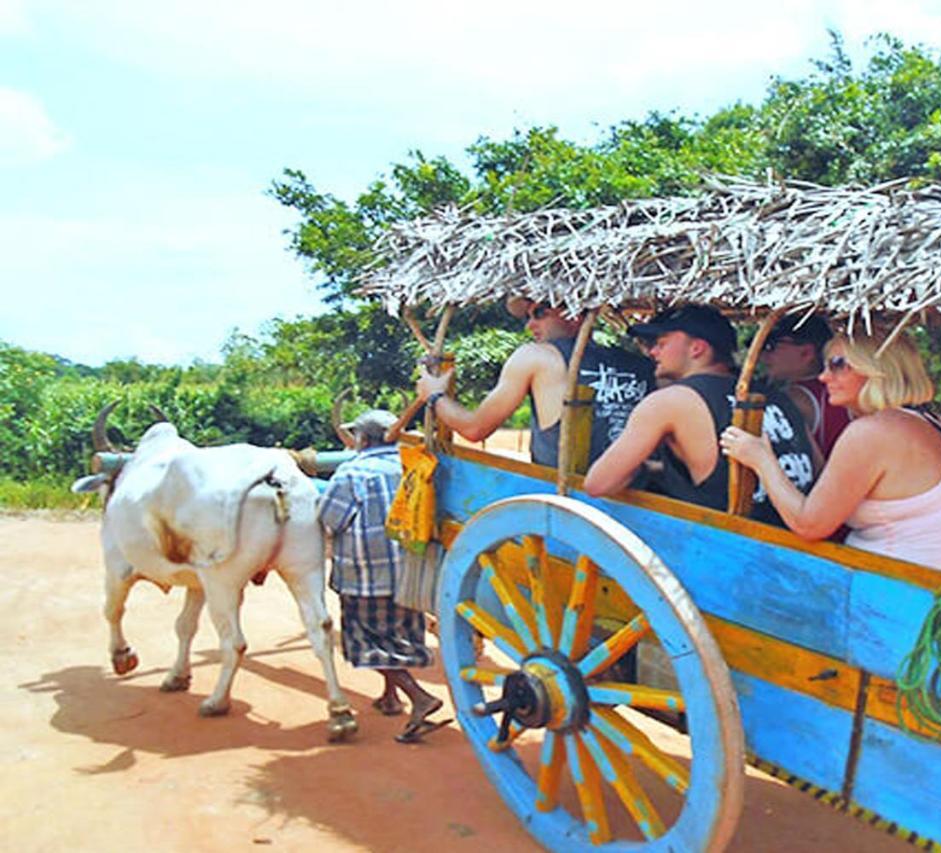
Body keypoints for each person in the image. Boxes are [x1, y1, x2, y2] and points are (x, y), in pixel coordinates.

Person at [721, 330, 941, 571]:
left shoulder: (873, 432)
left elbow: (808, 524)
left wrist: (761, 459)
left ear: (877, 369)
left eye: (838, 364)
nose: (823, 377)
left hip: (897, 595)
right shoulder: (939, 425)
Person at [584, 304, 817, 524]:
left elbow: (598, 483)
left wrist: (643, 469)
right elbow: (818, 470)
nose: (653, 351)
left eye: (662, 342)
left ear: (697, 348)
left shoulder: (671, 401)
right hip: (797, 543)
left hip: (720, 548)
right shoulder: (780, 398)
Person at [317, 409, 445, 743]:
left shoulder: (351, 472)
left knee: (367, 642)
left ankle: (419, 697)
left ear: (361, 438)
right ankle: (391, 697)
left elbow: (329, 519)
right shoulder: (414, 464)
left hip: (366, 575)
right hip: (413, 573)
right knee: (397, 635)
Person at [414, 298, 653, 467]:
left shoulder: (536, 356)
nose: (530, 325)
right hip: (643, 500)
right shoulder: (640, 364)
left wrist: (434, 396)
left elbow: (475, 429)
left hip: (567, 500)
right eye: (529, 316)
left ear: (575, 315)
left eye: (540, 313)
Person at [761, 314, 851, 461]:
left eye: (772, 347)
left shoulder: (794, 398)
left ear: (806, 353)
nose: (763, 356)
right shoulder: (846, 389)